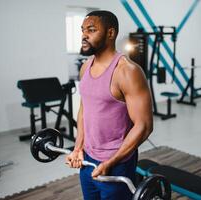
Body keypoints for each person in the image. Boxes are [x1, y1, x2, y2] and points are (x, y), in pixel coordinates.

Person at [65, 10, 153, 200]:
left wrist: (111, 162)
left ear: (110, 33)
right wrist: (78, 147)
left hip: (117, 162)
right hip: (87, 159)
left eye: (91, 30)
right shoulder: (85, 67)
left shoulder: (127, 71)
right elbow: (84, 110)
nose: (84, 35)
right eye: (82, 30)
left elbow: (143, 126)